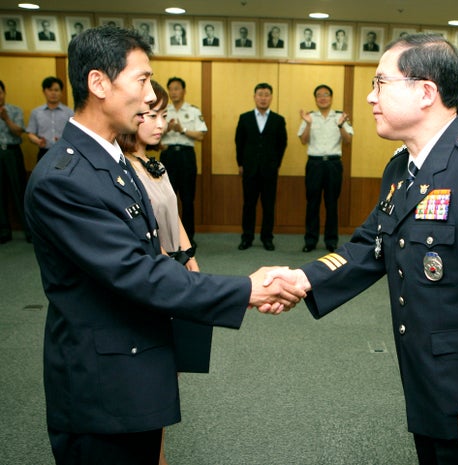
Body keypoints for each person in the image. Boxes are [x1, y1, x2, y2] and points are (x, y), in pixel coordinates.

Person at [24, 25, 303, 465]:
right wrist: (247, 289)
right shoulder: (65, 180)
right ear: (99, 83)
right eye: (142, 79)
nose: (151, 93)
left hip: (134, 370)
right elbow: (139, 273)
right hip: (101, 390)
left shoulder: (115, 162)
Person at [268, 33, 458, 465]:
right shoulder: (402, 167)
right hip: (427, 380)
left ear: (426, 91)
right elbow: (369, 246)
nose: (371, 97)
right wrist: (302, 279)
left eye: (380, 83)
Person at [118, 80, 202, 465]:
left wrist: (189, 257)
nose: (159, 123)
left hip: (174, 272)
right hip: (154, 276)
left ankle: (158, 452)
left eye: (163, 115)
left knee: (169, 371)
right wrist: (173, 263)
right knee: (151, 373)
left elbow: (175, 215)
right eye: (151, 115)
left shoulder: (155, 163)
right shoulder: (122, 170)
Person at [298, 84, 353, 253]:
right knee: (312, 203)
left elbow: (348, 140)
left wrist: (340, 125)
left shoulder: (340, 116)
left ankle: (331, 241)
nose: (323, 98)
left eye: (326, 95)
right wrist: (307, 124)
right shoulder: (309, 117)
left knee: (331, 203)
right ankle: (310, 240)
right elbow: (303, 140)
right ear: (315, 99)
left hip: (333, 164)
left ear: (331, 98)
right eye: (319, 95)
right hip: (314, 164)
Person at [235, 83, 287, 252]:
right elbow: (239, 143)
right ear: (254, 97)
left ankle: (267, 238)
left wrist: (276, 164)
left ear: (271, 97)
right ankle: (247, 238)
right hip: (249, 169)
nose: (263, 98)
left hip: (270, 170)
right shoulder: (245, 118)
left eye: (266, 95)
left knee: (268, 205)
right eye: (260, 94)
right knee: (248, 205)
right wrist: (240, 164)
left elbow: (282, 144)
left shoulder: (279, 120)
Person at [160, 76, 206, 247]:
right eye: (171, 89)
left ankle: (188, 238)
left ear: (184, 91)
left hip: (186, 156)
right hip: (168, 155)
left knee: (187, 199)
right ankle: (169, 238)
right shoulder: (163, 111)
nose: (174, 92)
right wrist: (167, 129)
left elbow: (201, 135)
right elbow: (153, 137)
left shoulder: (193, 111)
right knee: (167, 199)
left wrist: (182, 130)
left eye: (177, 88)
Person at [0, 79, 28, 244]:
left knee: (19, 191)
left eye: (0, 92)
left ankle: (28, 230)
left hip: (12, 152)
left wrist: (6, 119)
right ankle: (4, 231)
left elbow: (19, 132)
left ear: (4, 93)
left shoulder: (15, 110)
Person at [26, 76, 74, 161]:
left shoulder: (69, 113)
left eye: (56, 90)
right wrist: (38, 141)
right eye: (50, 90)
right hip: (44, 152)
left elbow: (74, 134)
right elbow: (30, 133)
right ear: (44, 92)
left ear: (61, 92)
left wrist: (65, 140)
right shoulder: (36, 112)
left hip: (64, 152)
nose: (53, 93)